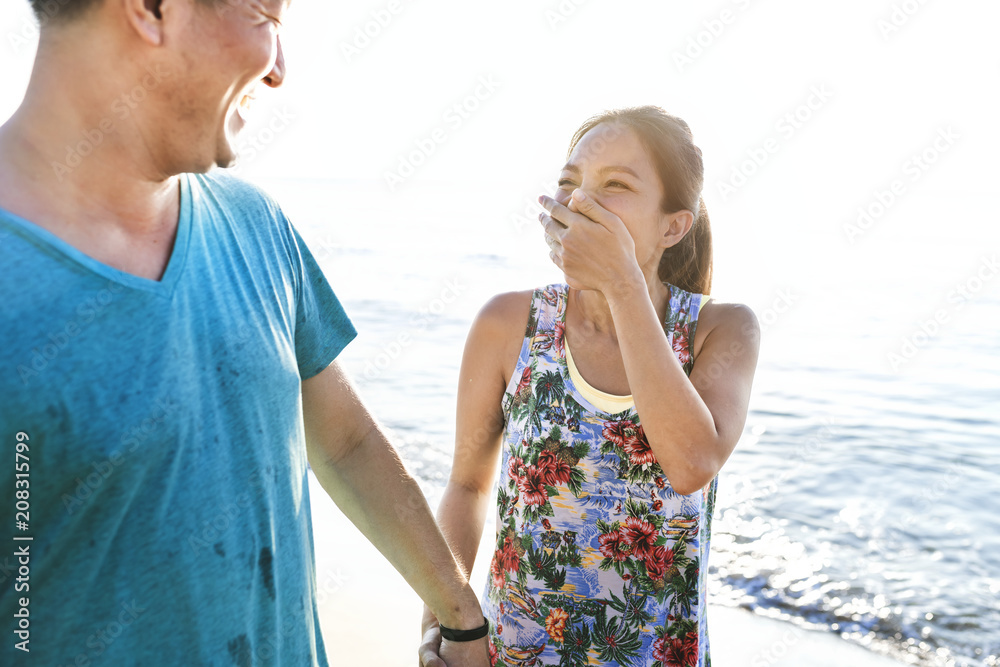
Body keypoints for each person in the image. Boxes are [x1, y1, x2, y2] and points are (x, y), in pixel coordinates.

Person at [0, 1, 489, 664]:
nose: (280, 69)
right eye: (266, 15)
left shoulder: (256, 224)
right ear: (150, 9)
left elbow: (343, 442)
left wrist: (461, 619)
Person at [419, 107, 760, 667]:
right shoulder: (508, 324)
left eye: (616, 186)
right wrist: (444, 625)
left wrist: (621, 281)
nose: (579, 202)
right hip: (513, 652)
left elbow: (692, 461)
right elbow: (467, 488)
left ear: (673, 226)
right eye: (569, 183)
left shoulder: (721, 330)